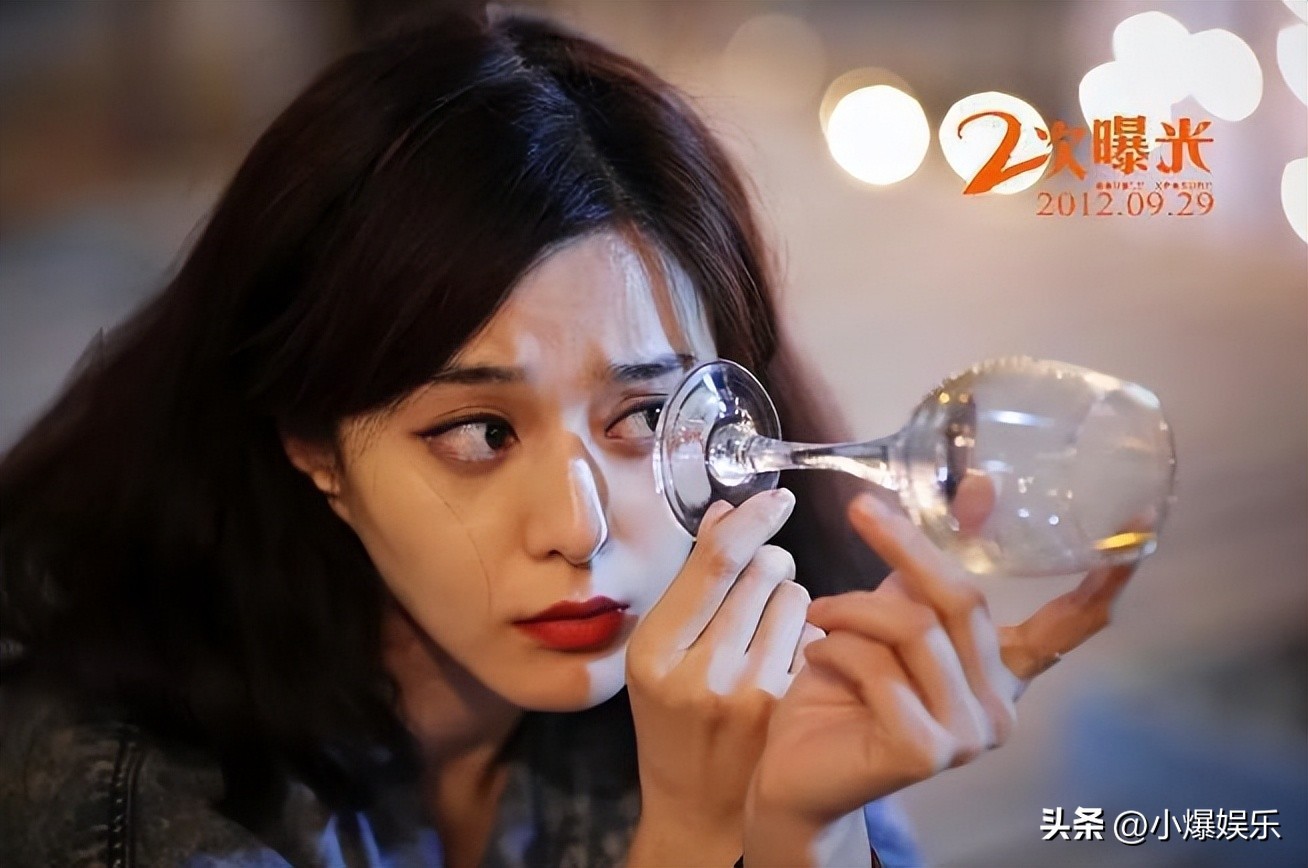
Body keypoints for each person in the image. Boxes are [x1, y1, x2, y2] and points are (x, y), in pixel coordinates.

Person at [0, 7, 1136, 867]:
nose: (579, 528)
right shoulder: (127, 791)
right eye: (479, 431)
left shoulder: (721, 673)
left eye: (643, 416)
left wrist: (805, 830)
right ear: (312, 443)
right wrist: (696, 834)